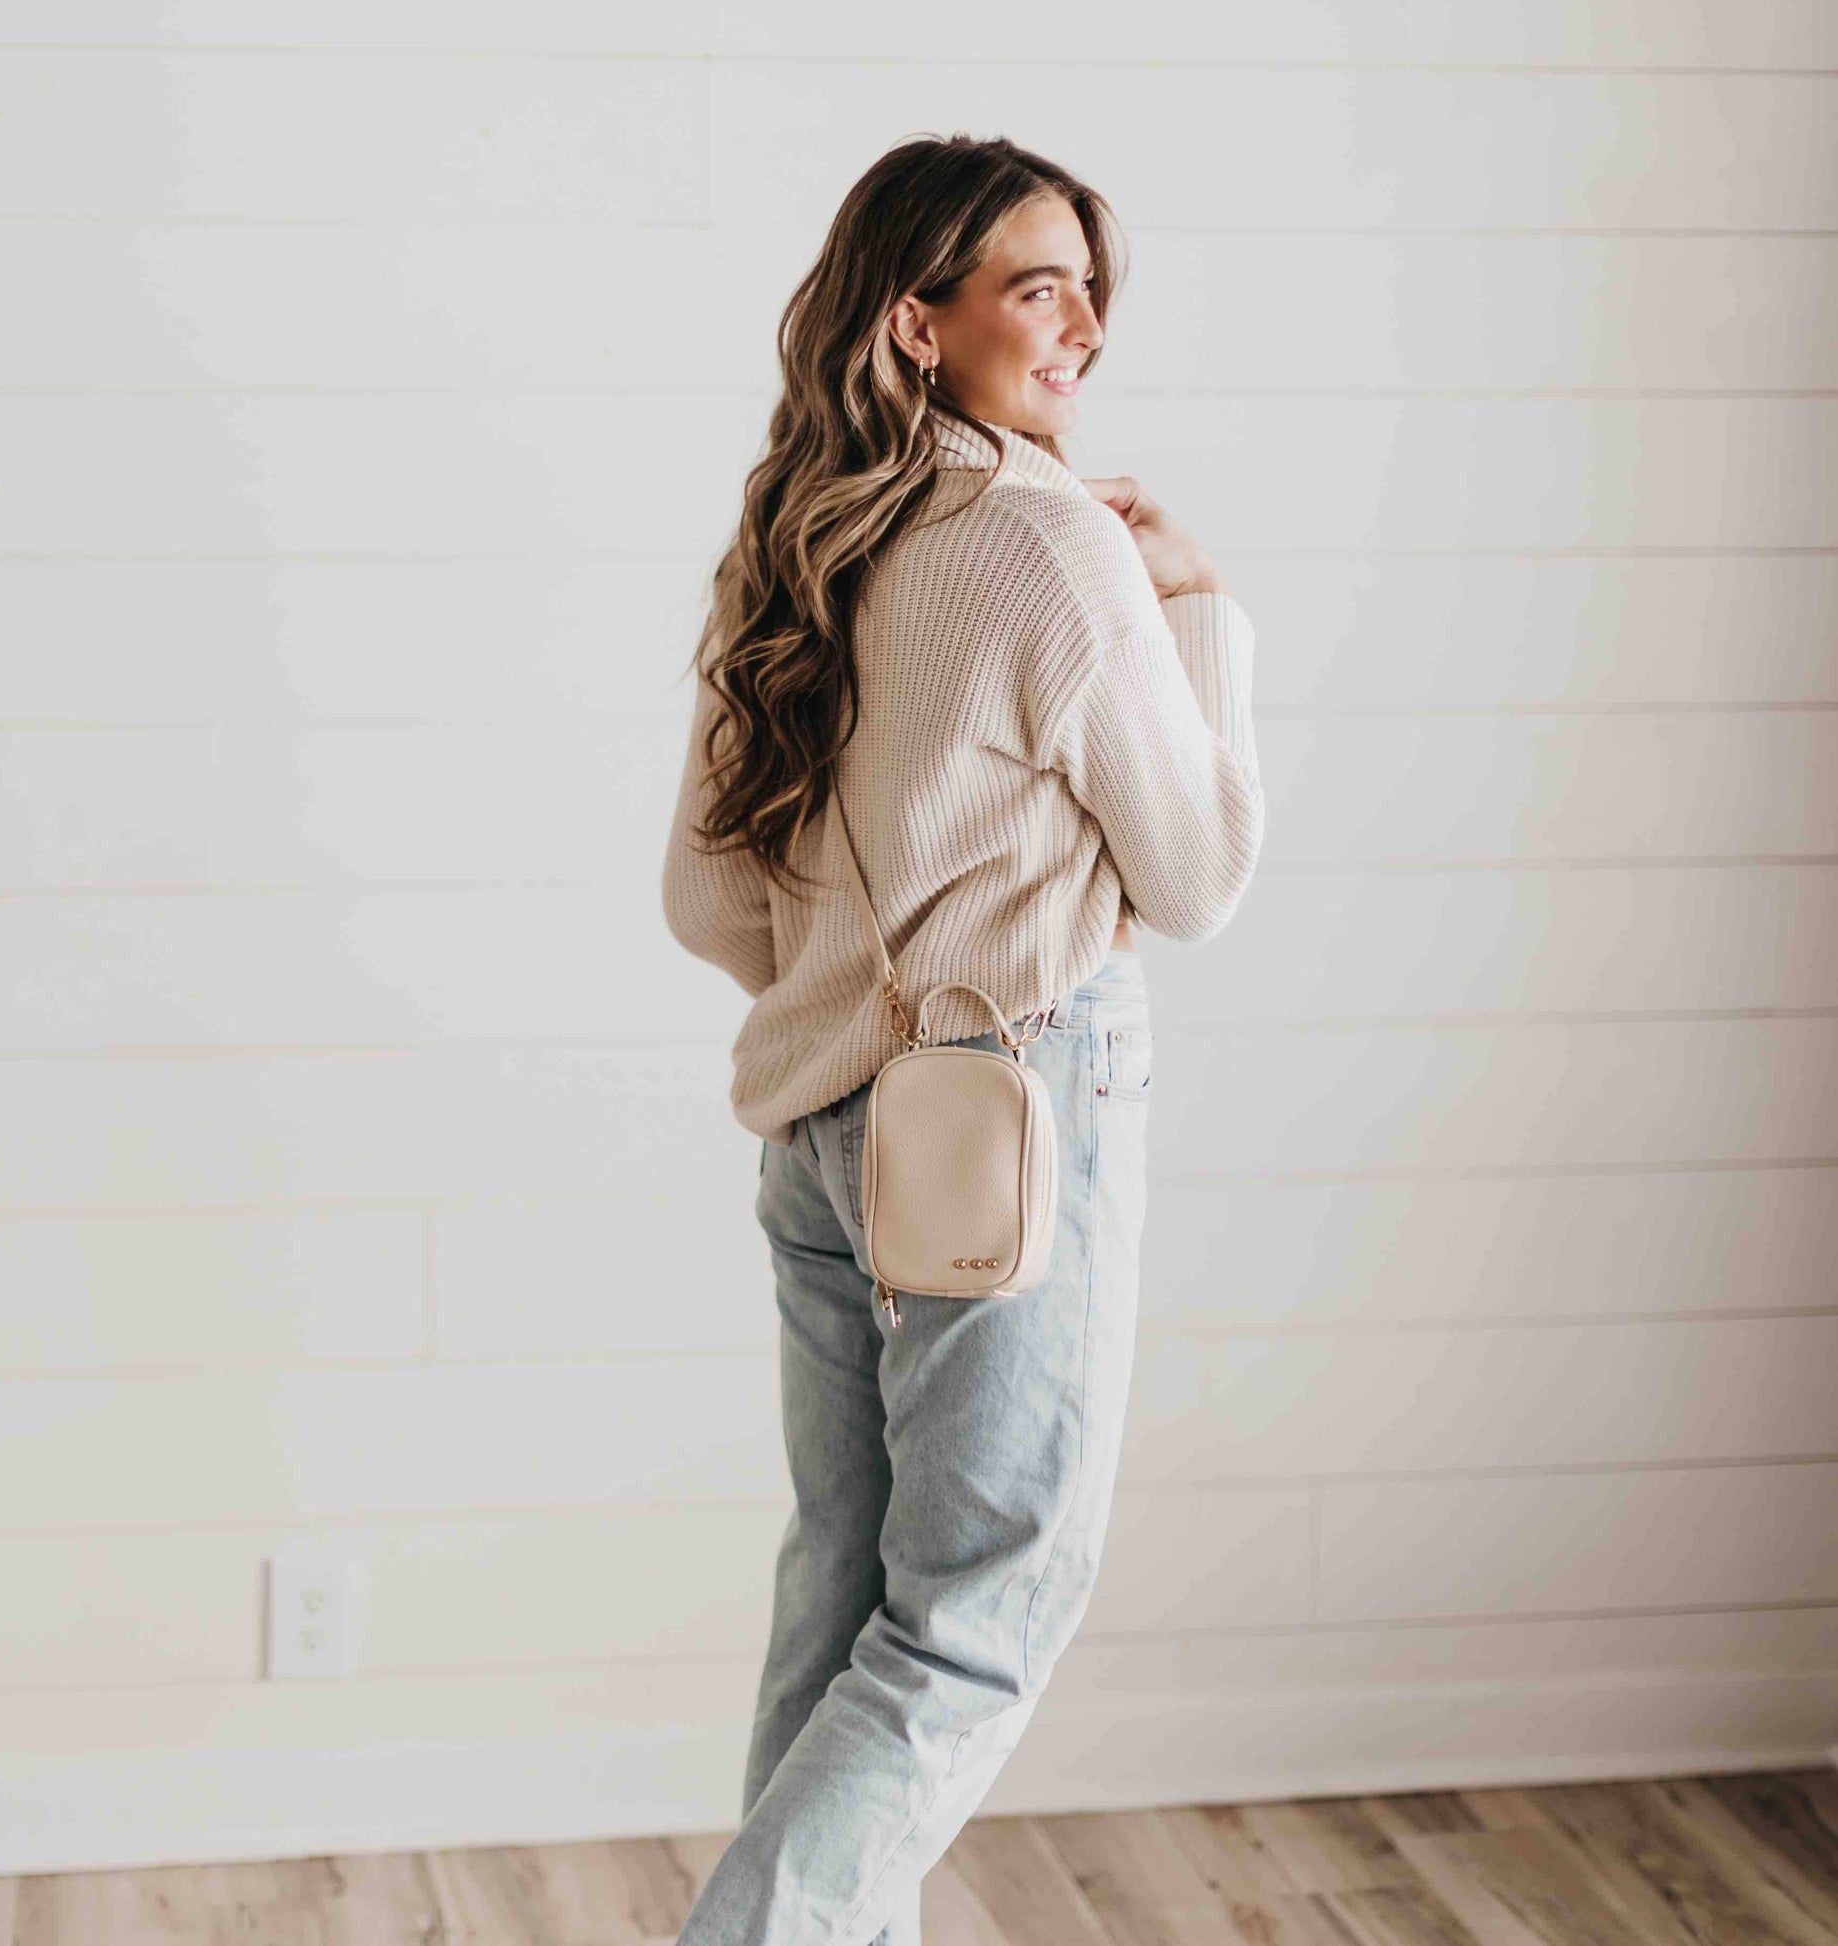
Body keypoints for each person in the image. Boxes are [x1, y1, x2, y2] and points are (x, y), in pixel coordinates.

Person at [658, 131, 1266, 1946]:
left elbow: (707, 901)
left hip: (821, 1132)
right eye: (1035, 286)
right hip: (1006, 1108)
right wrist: (1196, 609)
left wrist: (854, 982)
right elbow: (1195, 872)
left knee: (845, 1603)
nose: (1082, 325)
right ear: (917, 321)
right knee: (977, 1615)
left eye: (1089, 287)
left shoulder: (793, 540)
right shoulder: (1049, 540)